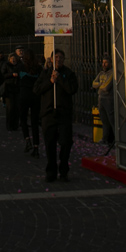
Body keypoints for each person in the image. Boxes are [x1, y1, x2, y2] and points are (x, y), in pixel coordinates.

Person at [34, 49, 78, 182]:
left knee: (65, 142)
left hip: (63, 114)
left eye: (61, 57)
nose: (58, 60)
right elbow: (36, 89)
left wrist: (59, 80)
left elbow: (72, 89)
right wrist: (50, 81)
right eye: (56, 57)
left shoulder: (68, 73)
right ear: (51, 59)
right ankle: (51, 170)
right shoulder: (45, 73)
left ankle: (63, 168)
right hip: (49, 113)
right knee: (50, 143)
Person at [92, 54, 115, 151]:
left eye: (106, 63)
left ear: (110, 64)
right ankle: (105, 138)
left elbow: (106, 87)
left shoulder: (112, 73)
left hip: (108, 99)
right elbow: (93, 83)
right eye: (103, 63)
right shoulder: (101, 73)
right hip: (100, 98)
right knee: (104, 120)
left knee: (112, 119)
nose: (104, 64)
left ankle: (116, 139)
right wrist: (100, 85)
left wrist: (99, 85)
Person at [1, 52, 20, 131]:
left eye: (15, 59)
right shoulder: (6, 65)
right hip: (9, 88)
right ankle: (9, 125)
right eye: (12, 59)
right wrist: (11, 74)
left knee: (16, 107)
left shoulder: (19, 66)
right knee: (10, 108)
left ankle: (15, 124)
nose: (13, 60)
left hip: (17, 88)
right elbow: (2, 75)